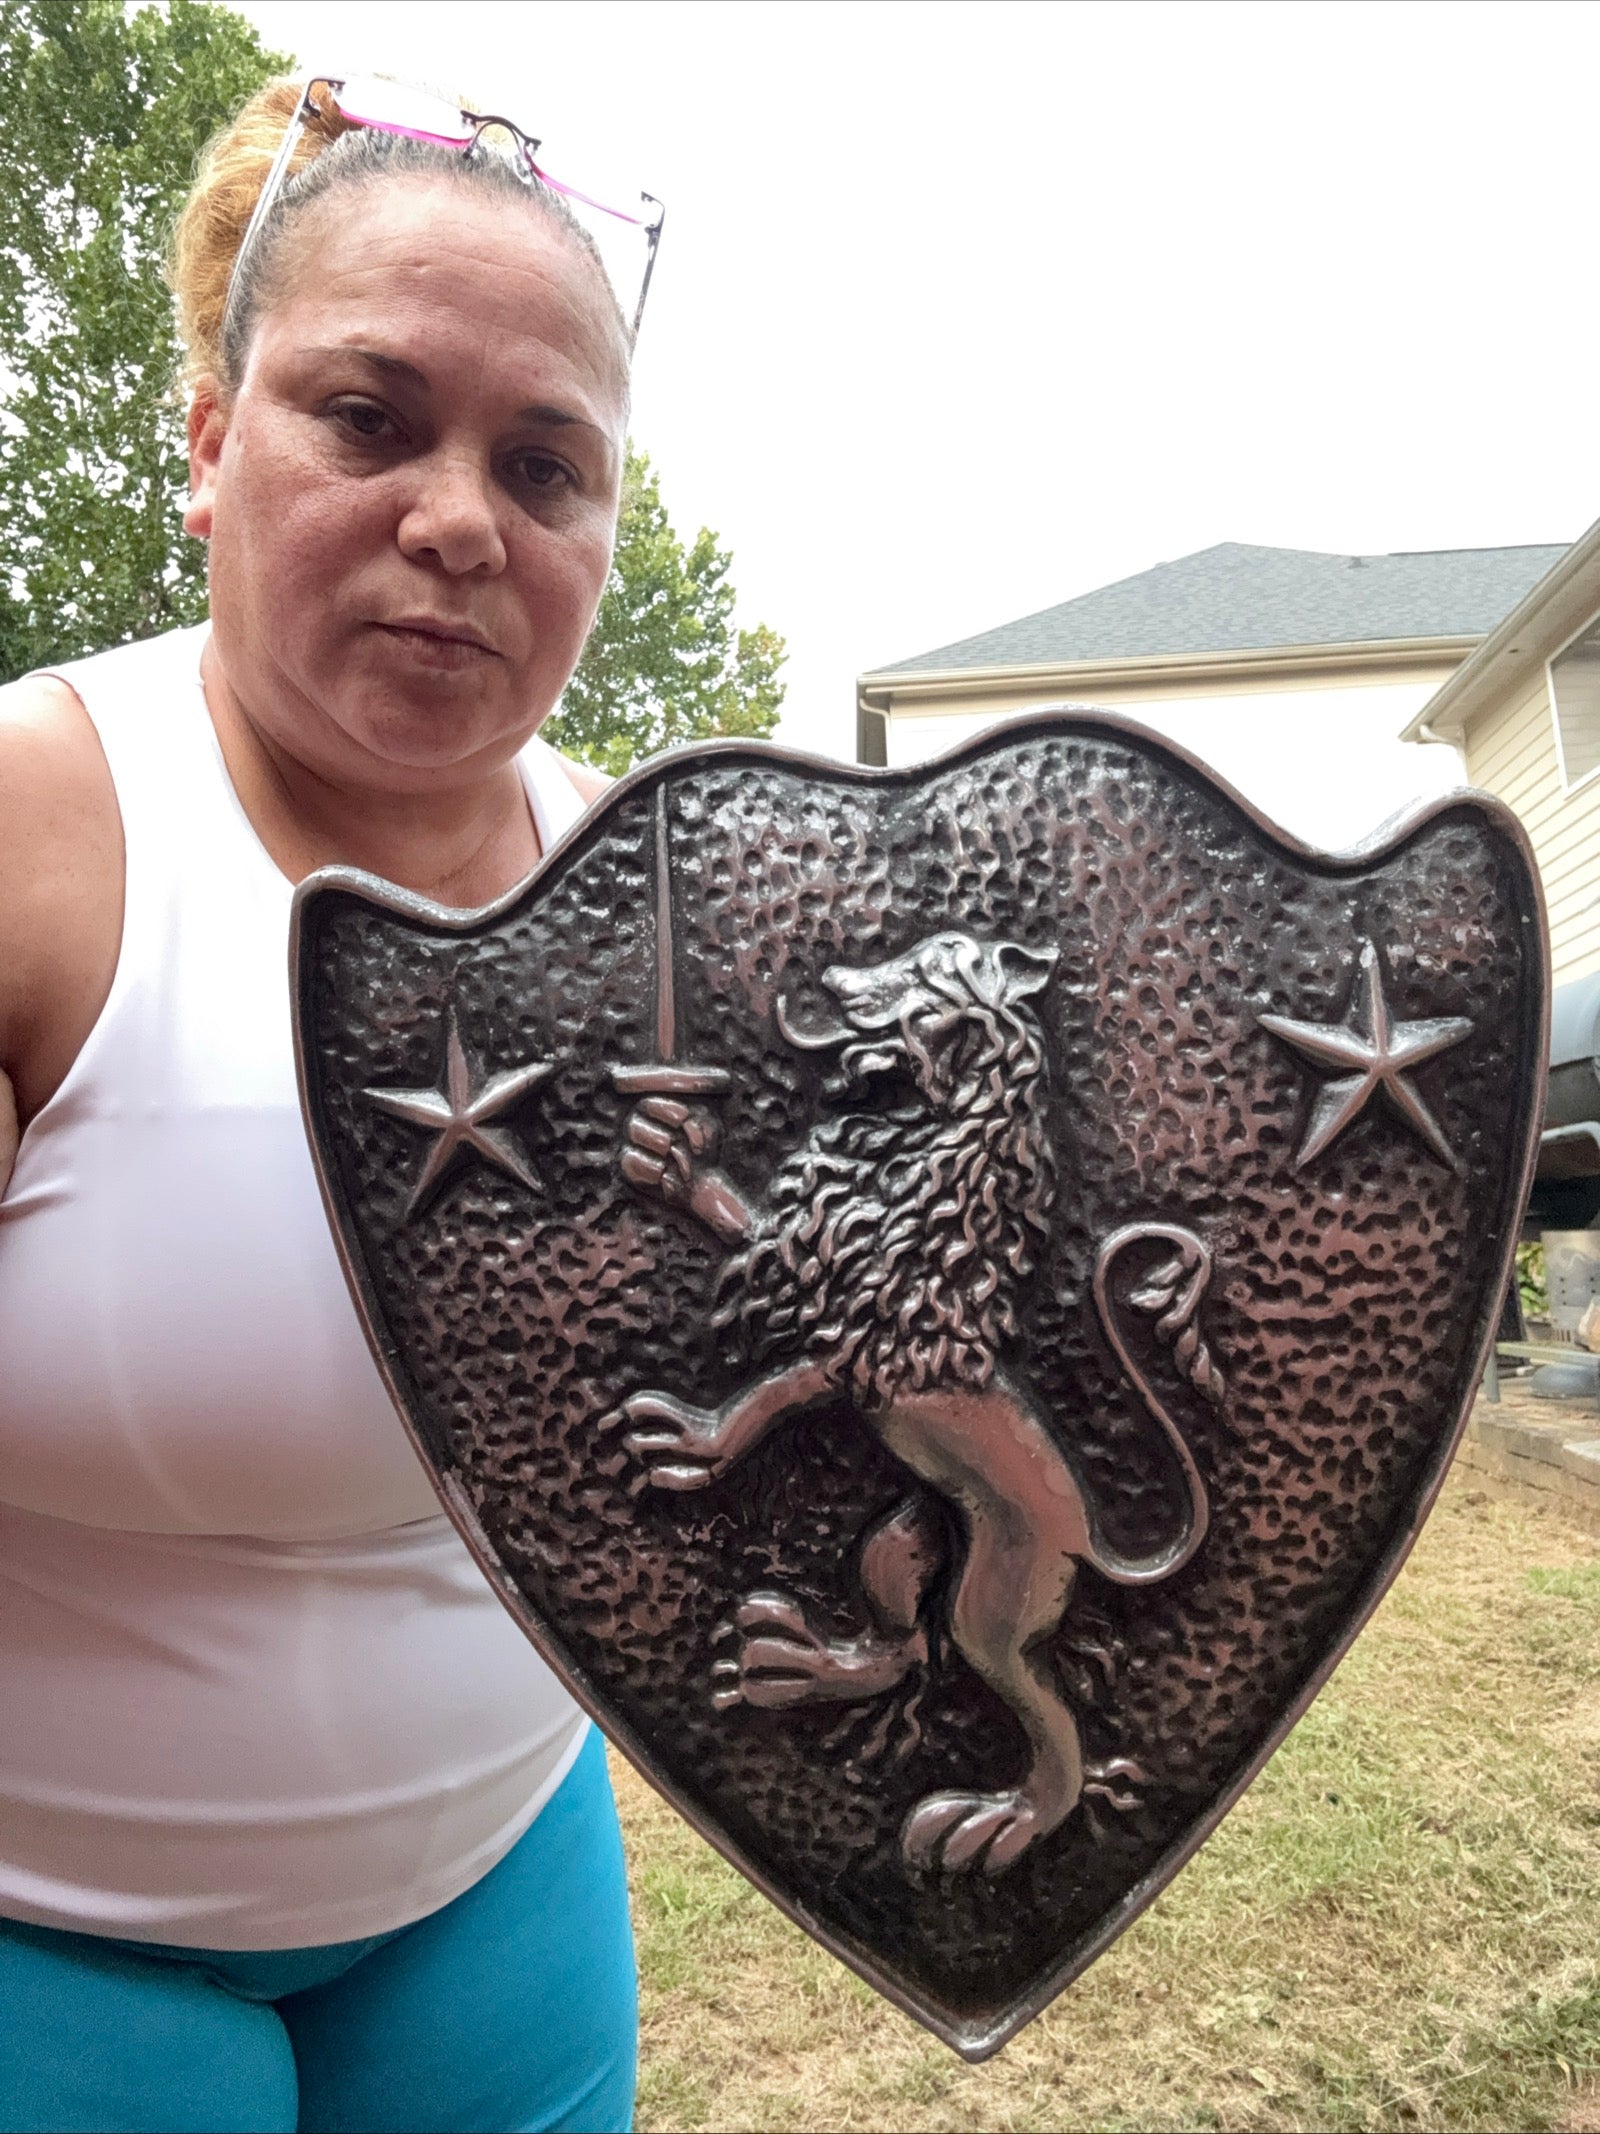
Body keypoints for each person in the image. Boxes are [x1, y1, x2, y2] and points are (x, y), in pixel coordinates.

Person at [0, 70, 649, 2134]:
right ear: (206, 437)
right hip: (45, 1944)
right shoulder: (39, 839)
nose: (458, 517)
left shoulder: (664, 888)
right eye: (367, 417)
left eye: (543, 464)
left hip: (500, 1889)